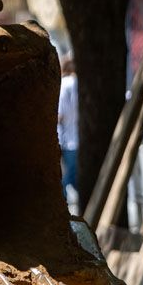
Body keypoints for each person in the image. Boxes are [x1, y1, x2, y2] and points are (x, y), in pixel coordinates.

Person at [58, 56, 79, 205]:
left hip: (66, 140)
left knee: (65, 179)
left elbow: (60, 114)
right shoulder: (78, 83)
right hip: (77, 139)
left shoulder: (64, 84)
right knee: (74, 177)